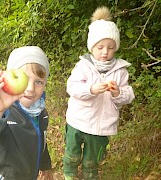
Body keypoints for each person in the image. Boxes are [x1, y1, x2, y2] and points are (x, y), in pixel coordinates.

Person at [63, 6, 135, 180]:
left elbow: (128, 96)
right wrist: (91, 89)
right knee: (72, 153)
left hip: (101, 126)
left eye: (110, 47)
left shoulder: (120, 70)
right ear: (91, 47)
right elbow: (71, 87)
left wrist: (118, 93)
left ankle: (90, 174)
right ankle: (69, 173)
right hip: (78, 120)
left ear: (116, 48)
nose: (105, 52)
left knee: (93, 159)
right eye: (100, 47)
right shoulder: (83, 66)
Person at [0, 46, 53, 180]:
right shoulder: (2, 112)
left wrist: (45, 165)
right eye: (25, 79)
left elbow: (40, 139)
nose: (30, 89)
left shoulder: (41, 112)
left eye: (38, 82)